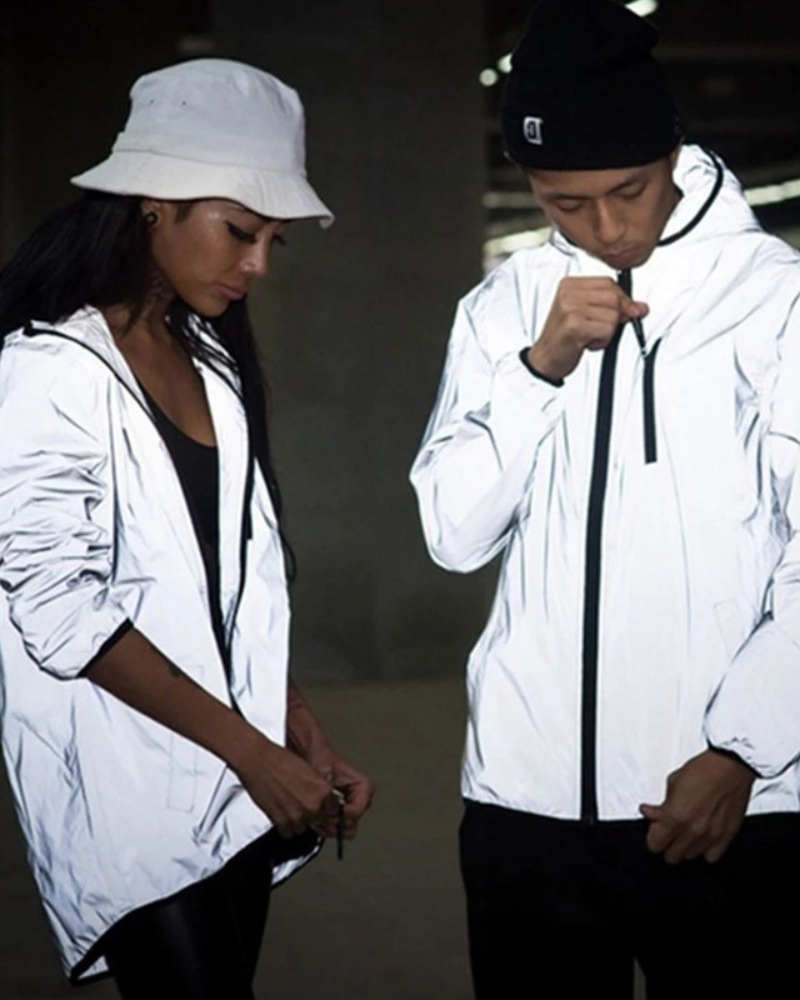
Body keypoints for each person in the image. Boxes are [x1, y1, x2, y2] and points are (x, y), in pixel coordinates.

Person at [411, 2, 800, 997]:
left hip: (722, 798)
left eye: (627, 191)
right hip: (522, 806)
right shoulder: (501, 307)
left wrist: (742, 749)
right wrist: (536, 370)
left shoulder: (774, 298)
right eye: (564, 203)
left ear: (671, 151)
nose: (607, 228)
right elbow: (453, 533)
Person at [0, 59, 373, 998]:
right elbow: (56, 609)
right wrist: (253, 752)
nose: (257, 264)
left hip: (233, 777)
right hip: (130, 785)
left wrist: (297, 733)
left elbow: (228, 587)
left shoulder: (210, 360)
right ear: (152, 206)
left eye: (273, 241)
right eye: (239, 231)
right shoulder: (48, 368)